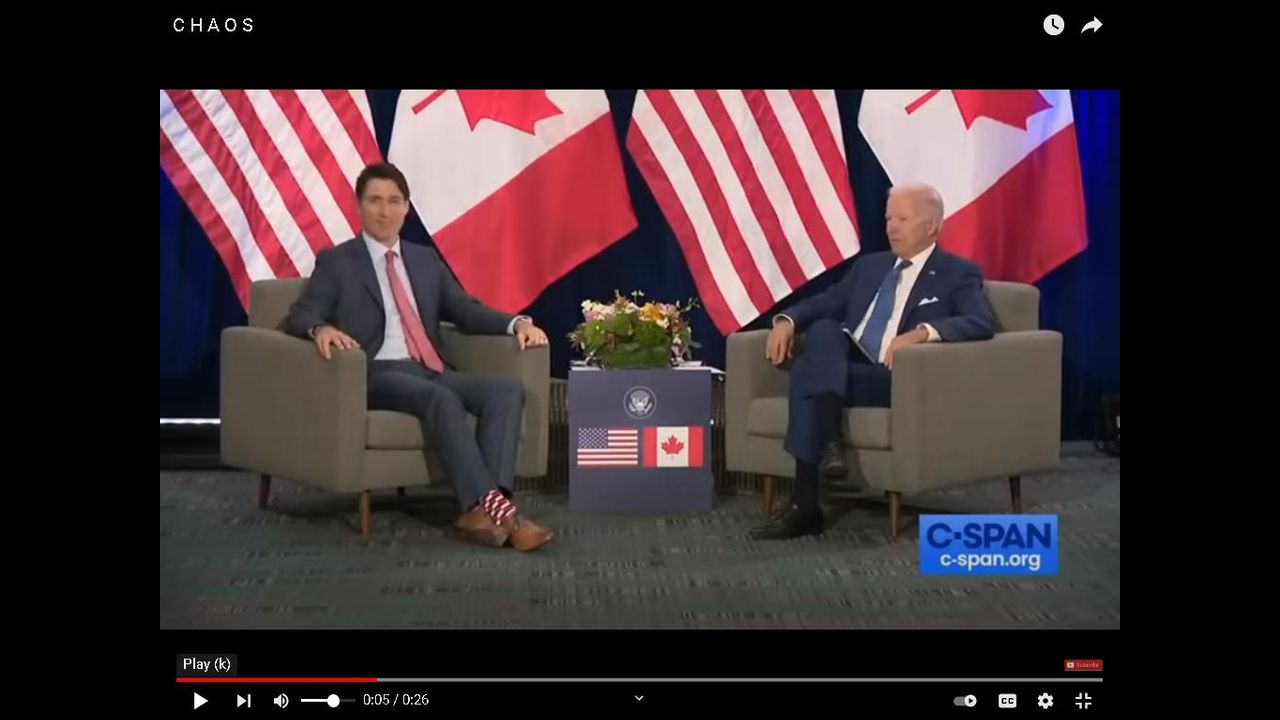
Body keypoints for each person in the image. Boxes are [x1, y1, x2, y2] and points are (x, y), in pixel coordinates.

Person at [284, 162, 554, 552]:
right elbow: (303, 314)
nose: (385, 211)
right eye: (375, 201)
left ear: (407, 207)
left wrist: (516, 323)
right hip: (375, 371)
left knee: (506, 391)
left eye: (394, 201)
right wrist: (321, 329)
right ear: (359, 206)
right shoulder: (338, 261)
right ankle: (501, 513)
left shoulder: (424, 259)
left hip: (430, 367)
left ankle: (486, 512)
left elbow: (464, 310)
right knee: (440, 398)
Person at [750, 182, 995, 540]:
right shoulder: (871, 267)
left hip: (895, 375)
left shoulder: (957, 272)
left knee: (807, 371)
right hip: (848, 366)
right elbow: (825, 303)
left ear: (931, 225)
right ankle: (829, 441)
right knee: (823, 330)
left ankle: (805, 504)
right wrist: (786, 321)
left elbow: (979, 321)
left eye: (902, 219)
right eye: (888, 219)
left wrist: (922, 333)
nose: (891, 228)